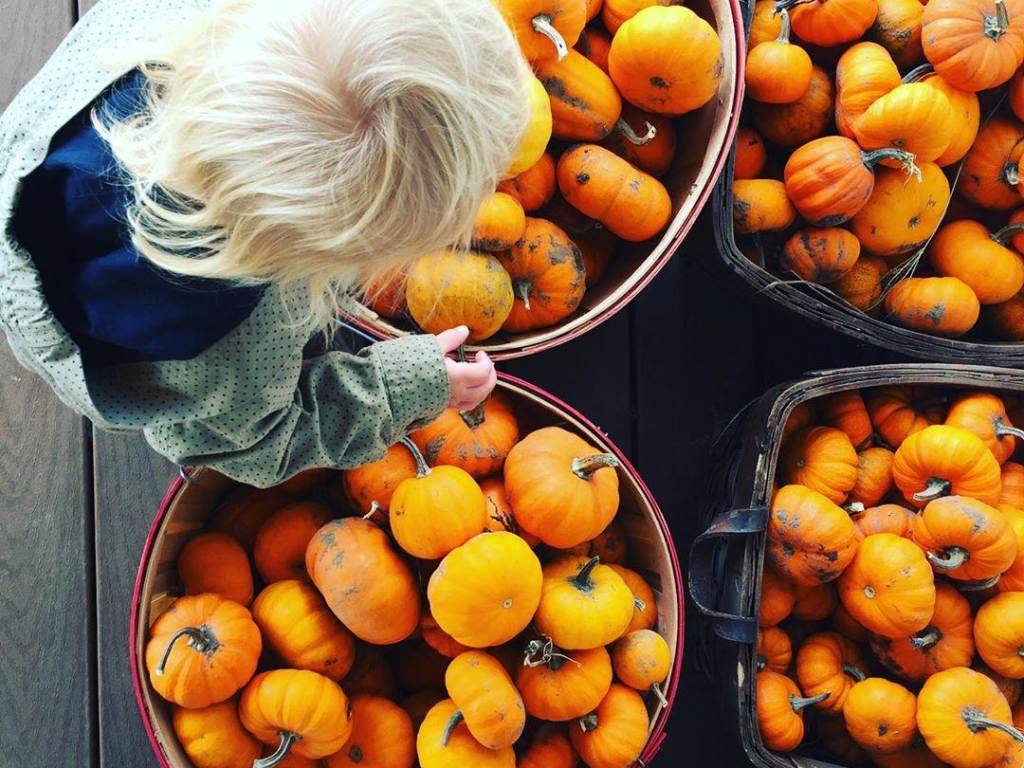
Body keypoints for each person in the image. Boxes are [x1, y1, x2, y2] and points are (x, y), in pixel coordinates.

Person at [0, 0, 530, 486]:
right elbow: (255, 441)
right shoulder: (228, 338)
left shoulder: (176, 14)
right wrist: (402, 385)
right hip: (82, 337)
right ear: (339, 254)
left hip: (25, 171)